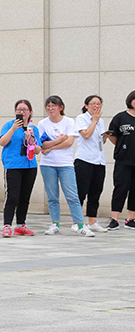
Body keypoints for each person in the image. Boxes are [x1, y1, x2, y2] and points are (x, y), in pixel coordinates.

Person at [38, 95, 93, 237]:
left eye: (54, 105)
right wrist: (59, 140)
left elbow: (69, 142)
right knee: (52, 196)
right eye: (48, 106)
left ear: (61, 107)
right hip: (47, 164)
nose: (50, 108)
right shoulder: (43, 124)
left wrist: (51, 147)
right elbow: (41, 144)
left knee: (72, 195)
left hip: (65, 164)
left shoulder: (69, 121)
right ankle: (55, 224)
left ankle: (80, 225)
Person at [0, 99, 42, 238]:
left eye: (24, 109)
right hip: (13, 165)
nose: (22, 112)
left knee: (25, 197)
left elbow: (38, 150)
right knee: (12, 196)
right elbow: (2, 142)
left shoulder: (33, 128)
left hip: (29, 166)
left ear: (30, 112)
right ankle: (7, 225)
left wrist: (31, 140)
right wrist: (13, 129)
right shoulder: (9, 125)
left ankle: (21, 225)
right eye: (19, 109)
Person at [74, 95, 108, 232]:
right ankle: (77, 221)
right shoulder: (81, 118)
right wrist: (94, 120)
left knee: (96, 192)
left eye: (99, 104)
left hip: (99, 160)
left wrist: (105, 136)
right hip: (84, 160)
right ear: (86, 105)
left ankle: (92, 222)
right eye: (93, 103)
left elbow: (101, 141)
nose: (96, 106)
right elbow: (86, 135)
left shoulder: (101, 121)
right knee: (81, 192)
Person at [104, 90, 135, 231]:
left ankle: (131, 219)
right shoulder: (120, 117)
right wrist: (122, 146)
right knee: (120, 188)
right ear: (130, 101)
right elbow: (112, 135)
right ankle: (114, 219)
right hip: (123, 160)